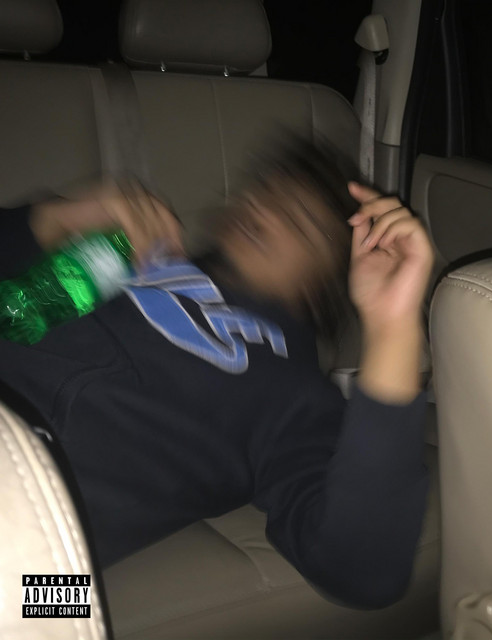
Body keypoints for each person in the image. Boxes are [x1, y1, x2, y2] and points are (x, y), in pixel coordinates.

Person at [0, 140, 434, 609]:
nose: (262, 210)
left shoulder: (292, 390)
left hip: (23, 524)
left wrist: (393, 329)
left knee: (55, 601)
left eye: (297, 222)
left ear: (325, 282)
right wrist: (48, 220)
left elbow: (364, 573)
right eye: (265, 193)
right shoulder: (133, 252)